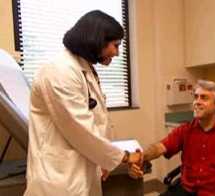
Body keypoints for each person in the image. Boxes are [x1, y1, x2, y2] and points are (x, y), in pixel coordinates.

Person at [24, 10, 142, 196]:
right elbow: (80, 129)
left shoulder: (84, 70)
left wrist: (104, 160)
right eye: (115, 45)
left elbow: (98, 121)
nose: (118, 53)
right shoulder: (59, 71)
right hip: (59, 179)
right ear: (97, 40)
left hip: (80, 171)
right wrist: (124, 157)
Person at [129, 80, 215, 196]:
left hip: (213, 192)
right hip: (185, 189)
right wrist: (141, 157)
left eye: (204, 98)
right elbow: (160, 147)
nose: (197, 102)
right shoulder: (185, 130)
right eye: (196, 97)